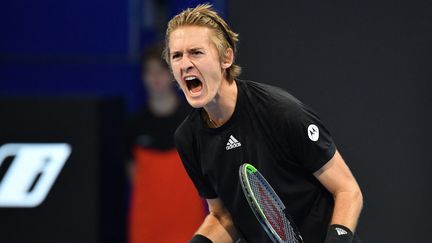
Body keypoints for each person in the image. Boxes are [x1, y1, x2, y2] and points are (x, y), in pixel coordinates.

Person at [164, 4, 363, 243]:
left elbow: (347, 190)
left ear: (226, 57)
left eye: (196, 52)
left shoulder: (282, 112)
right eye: (176, 56)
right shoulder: (188, 138)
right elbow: (223, 216)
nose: (185, 63)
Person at [126, 43, 205, 243]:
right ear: (143, 77)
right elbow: (132, 174)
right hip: (146, 227)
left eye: (161, 71)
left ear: (173, 75)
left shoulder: (195, 121)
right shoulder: (133, 125)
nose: (156, 78)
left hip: (189, 224)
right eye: (150, 72)